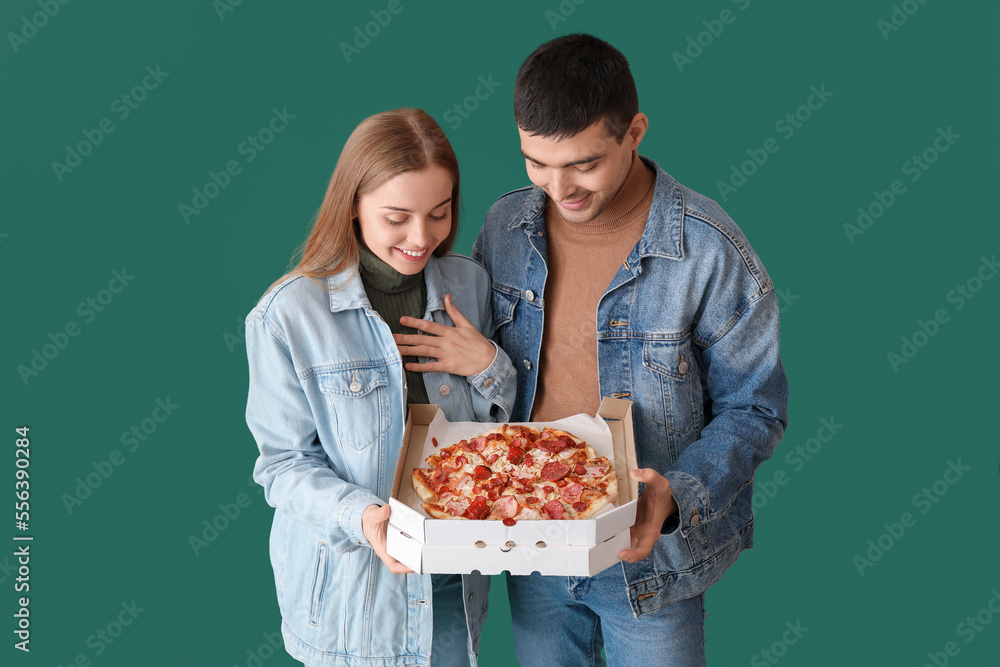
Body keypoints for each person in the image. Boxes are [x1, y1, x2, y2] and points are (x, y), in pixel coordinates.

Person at [470, 34, 789, 666]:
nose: (558, 187)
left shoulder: (709, 249)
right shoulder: (504, 227)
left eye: (583, 164)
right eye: (536, 163)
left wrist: (677, 493)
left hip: (651, 557)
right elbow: (489, 379)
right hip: (530, 541)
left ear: (634, 132)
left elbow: (756, 408)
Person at [244, 108, 515, 667]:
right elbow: (283, 466)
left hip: (454, 579)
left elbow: (506, 439)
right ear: (352, 206)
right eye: (397, 218)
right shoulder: (287, 315)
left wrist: (489, 364)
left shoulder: (470, 284)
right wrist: (363, 517)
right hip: (351, 592)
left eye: (439, 214)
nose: (422, 238)